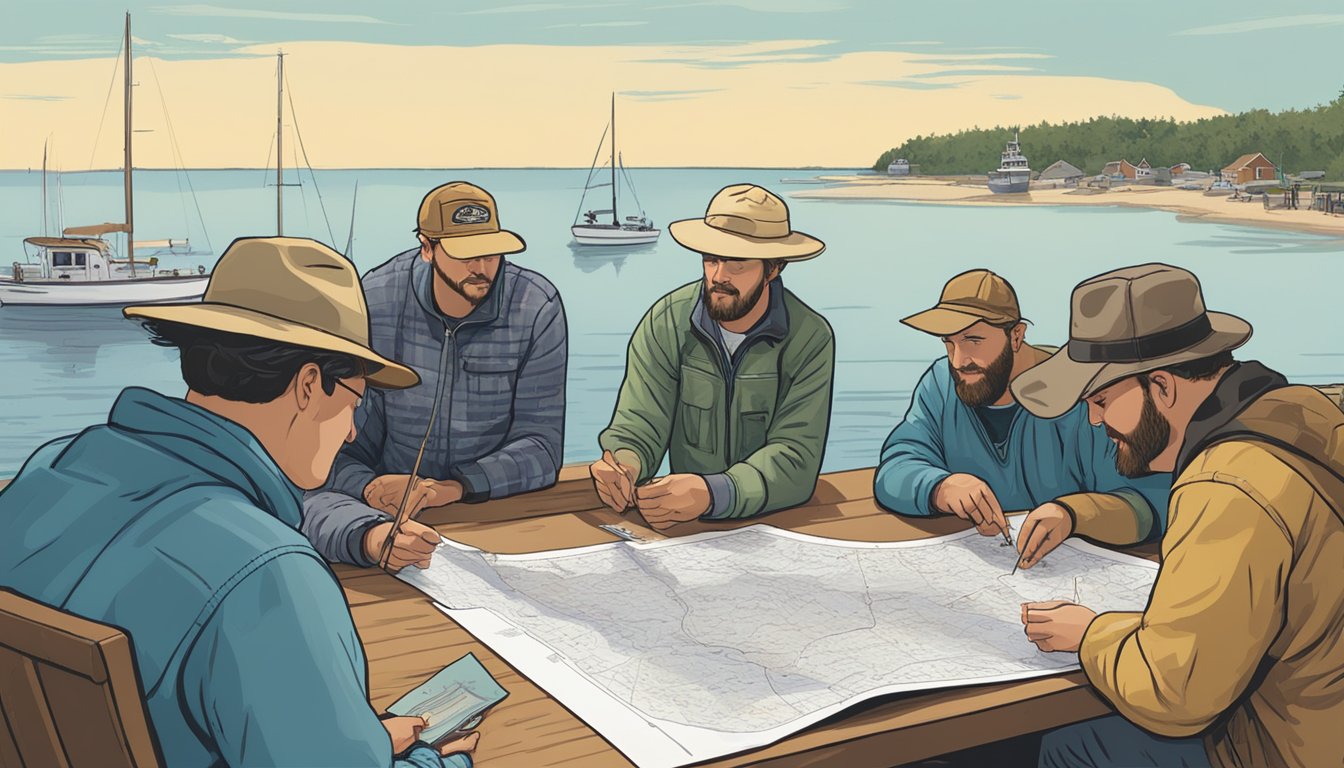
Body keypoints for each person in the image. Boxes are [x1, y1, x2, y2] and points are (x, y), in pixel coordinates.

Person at [0, 237, 478, 767]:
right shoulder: (267, 571)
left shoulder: (54, 466)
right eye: (353, 404)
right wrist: (438, 762)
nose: (349, 434)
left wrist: (349, 740)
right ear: (309, 385)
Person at [1014, 263, 1344, 768]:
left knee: (1071, 747)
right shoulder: (1304, 411)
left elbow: (1174, 696)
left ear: (1163, 388)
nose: (1095, 419)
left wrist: (1088, 635)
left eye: (1101, 400)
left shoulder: (1226, 482)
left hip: (1286, 748)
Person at [303, 182, 567, 570]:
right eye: (465, 255)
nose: (481, 267)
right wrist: (370, 488)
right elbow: (332, 444)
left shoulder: (536, 307)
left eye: (491, 252)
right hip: (385, 518)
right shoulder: (375, 301)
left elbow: (543, 447)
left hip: (487, 515)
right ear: (426, 248)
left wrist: (455, 487)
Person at [876, 269, 1170, 564]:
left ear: (1016, 335)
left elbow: (1148, 504)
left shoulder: (1084, 396)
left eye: (973, 340)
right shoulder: (941, 383)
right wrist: (940, 487)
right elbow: (895, 467)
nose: (958, 360)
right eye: (949, 343)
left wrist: (1073, 514)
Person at [591, 184, 835, 529]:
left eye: (736, 262)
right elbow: (640, 421)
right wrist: (624, 466)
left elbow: (795, 458)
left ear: (774, 268)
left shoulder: (809, 337)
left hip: (779, 525)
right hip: (683, 525)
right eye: (711, 259)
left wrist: (713, 493)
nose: (718, 276)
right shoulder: (666, 321)